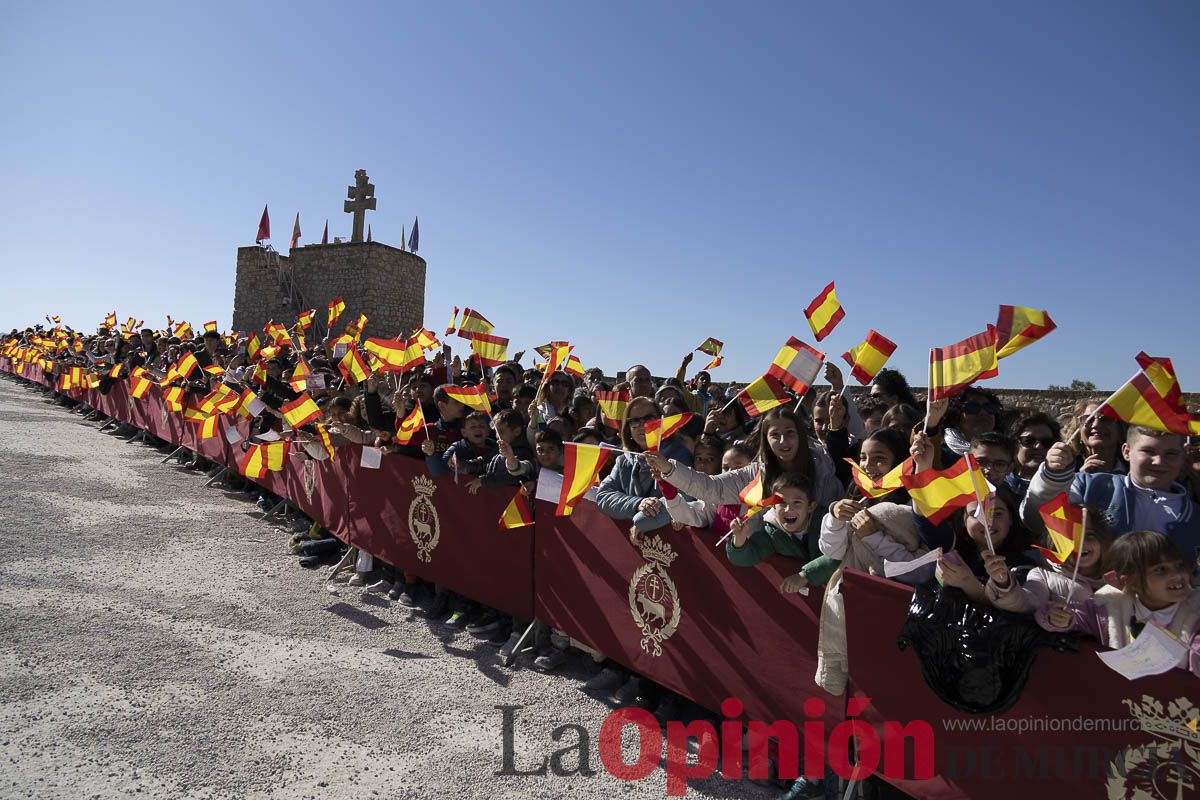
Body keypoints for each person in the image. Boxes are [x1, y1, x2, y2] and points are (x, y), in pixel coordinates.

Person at [1023, 426, 1200, 565]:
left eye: (1171, 453)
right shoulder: (1089, 486)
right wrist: (1053, 476)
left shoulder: (1195, 517)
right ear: (1126, 451)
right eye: (1148, 451)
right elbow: (1038, 520)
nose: (1159, 461)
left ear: (1183, 455)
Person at [1039, 531, 1200, 677]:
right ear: (1129, 581)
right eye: (1160, 570)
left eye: (1179, 566)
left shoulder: (1195, 613)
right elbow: (1074, 618)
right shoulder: (1110, 607)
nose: (1177, 575)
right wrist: (1059, 618)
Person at [987, 506, 1113, 614]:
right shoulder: (1043, 576)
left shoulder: (1121, 574)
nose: (1080, 544)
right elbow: (1026, 602)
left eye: (1089, 535)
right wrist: (1003, 584)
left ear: (1103, 539)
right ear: (1055, 543)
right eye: (1070, 538)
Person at [1007, 412, 1061, 499]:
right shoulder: (999, 486)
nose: (1038, 446)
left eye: (1047, 442)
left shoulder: (1065, 487)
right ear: (1014, 444)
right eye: (1028, 441)